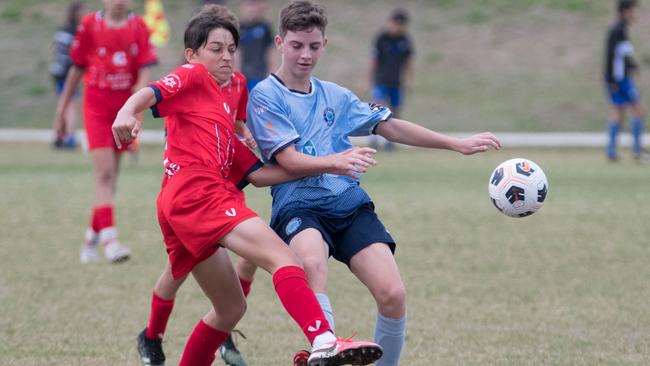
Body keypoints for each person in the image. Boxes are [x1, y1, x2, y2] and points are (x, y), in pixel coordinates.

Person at [112, 9, 384, 366]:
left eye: (231, 48)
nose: (225, 56)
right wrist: (126, 112)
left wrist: (325, 162)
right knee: (284, 258)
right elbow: (149, 92)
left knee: (229, 309)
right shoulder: (192, 75)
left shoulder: (237, 91)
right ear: (193, 54)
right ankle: (324, 340)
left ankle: (166, 344)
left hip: (187, 201)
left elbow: (258, 173)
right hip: (196, 194)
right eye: (215, 49)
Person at [245, 1, 501, 365]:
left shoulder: (335, 95)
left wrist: (454, 143)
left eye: (314, 46)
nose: (305, 55)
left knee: (393, 294)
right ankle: (326, 348)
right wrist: (336, 161)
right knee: (312, 264)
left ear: (324, 44)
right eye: (297, 45)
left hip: (348, 204)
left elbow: (389, 124)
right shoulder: (265, 96)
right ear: (280, 42)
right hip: (298, 205)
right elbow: (287, 160)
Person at [53, 0, 158, 264]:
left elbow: (145, 71)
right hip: (97, 109)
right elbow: (76, 69)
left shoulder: (139, 27)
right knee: (104, 174)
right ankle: (110, 240)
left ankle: (90, 240)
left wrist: (136, 106)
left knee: (111, 179)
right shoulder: (89, 25)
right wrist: (62, 109)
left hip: (124, 111)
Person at [364, 8, 414, 151]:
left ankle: (390, 141)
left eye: (400, 25)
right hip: (380, 81)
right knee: (376, 108)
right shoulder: (382, 38)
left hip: (396, 82)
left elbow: (408, 62)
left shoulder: (405, 40)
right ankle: (372, 138)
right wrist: (367, 80)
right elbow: (373, 60)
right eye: (395, 24)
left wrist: (409, 80)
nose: (397, 27)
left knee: (395, 110)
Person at [604, 0, 646, 161]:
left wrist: (633, 65)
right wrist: (612, 80)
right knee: (638, 110)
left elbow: (623, 55)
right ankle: (636, 150)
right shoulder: (617, 30)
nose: (634, 14)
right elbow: (610, 56)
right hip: (619, 80)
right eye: (632, 11)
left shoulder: (622, 30)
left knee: (619, 113)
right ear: (625, 12)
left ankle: (611, 152)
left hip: (620, 79)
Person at [49, 1, 85, 149]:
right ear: (76, 13)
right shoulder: (75, 33)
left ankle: (58, 136)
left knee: (63, 104)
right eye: (82, 11)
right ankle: (69, 137)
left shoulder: (61, 31)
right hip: (68, 73)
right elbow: (76, 57)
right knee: (70, 106)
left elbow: (53, 50)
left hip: (57, 72)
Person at [237, 0, 275, 90]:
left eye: (255, 5)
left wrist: (271, 72)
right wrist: (236, 73)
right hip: (244, 75)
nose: (252, 9)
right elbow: (237, 52)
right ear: (242, 8)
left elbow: (270, 51)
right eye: (249, 5)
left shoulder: (265, 27)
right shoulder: (240, 28)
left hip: (260, 75)